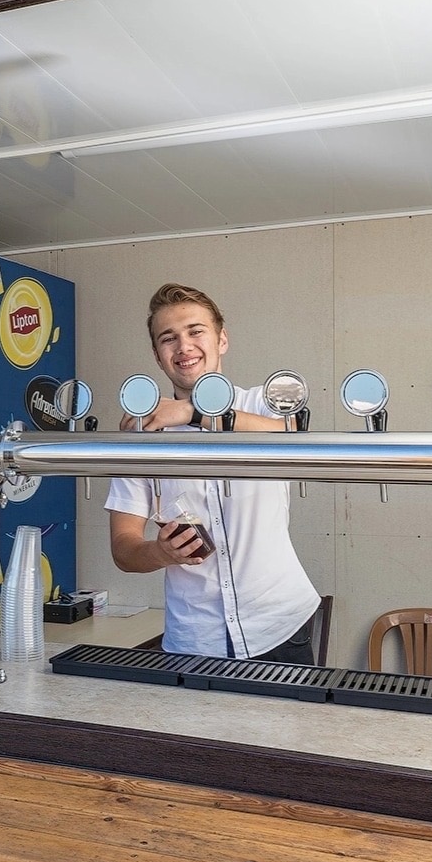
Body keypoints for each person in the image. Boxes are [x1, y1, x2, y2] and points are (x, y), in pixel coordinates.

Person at [105, 283, 320, 665]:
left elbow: (297, 436)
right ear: (157, 356)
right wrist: (160, 552)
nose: (183, 346)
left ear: (222, 340)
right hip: (193, 640)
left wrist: (194, 412)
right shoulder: (144, 436)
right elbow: (124, 548)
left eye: (195, 331)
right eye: (168, 338)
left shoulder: (262, 403)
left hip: (280, 626)